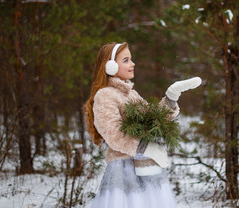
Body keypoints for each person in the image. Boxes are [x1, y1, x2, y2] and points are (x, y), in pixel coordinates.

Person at [84, 42, 201, 208]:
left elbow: (153, 119)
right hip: (123, 172)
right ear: (110, 66)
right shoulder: (105, 96)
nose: (132, 64)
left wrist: (171, 96)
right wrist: (144, 147)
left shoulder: (131, 94)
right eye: (126, 60)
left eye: (131, 59)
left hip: (145, 167)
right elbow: (113, 134)